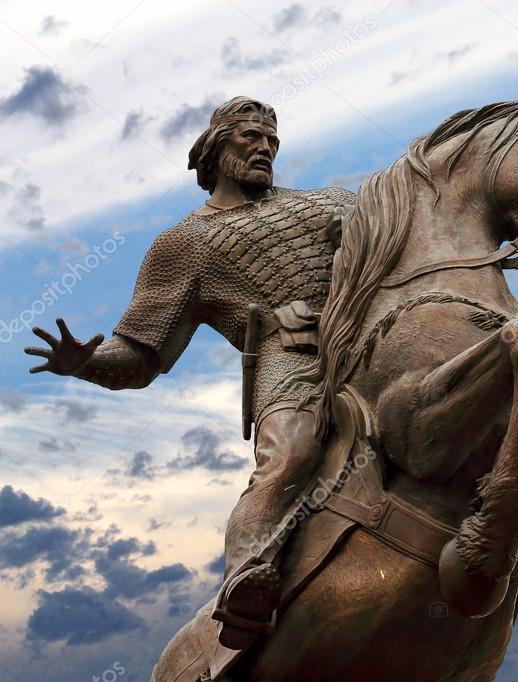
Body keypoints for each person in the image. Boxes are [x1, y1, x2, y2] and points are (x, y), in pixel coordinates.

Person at [24, 96, 354, 650]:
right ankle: (247, 577)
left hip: (369, 334)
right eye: (251, 137)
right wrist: (84, 365)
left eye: (272, 140)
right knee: (291, 452)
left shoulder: (330, 203)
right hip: (290, 358)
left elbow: (409, 237)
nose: (266, 148)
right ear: (215, 147)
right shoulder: (184, 245)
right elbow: (141, 356)